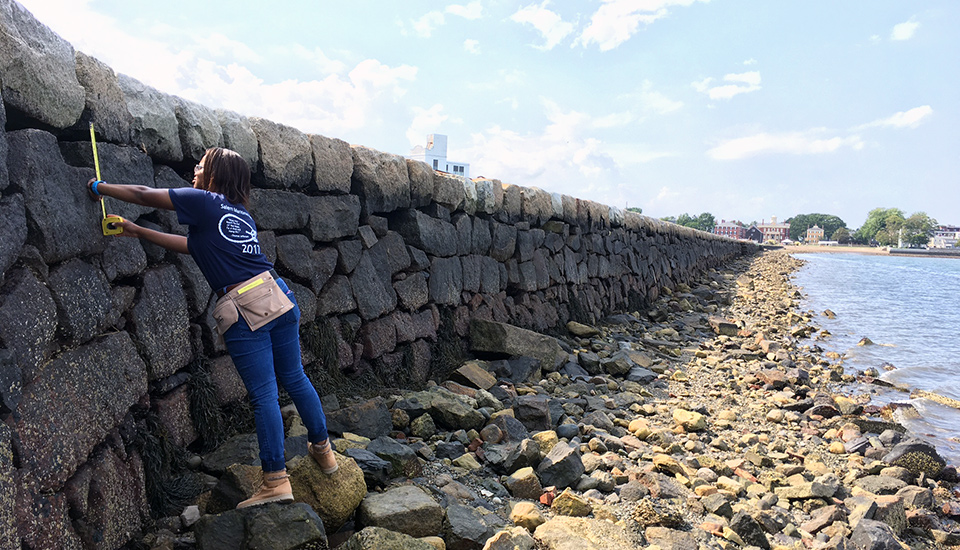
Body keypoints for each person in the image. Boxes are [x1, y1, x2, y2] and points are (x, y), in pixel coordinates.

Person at [87, 147, 338, 509]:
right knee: (295, 377)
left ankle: (275, 481)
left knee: (265, 396)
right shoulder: (241, 214)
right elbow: (194, 247)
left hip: (246, 308)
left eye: (201, 166)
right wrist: (136, 230)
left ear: (215, 176)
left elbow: (143, 194)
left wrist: (101, 187)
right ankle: (324, 452)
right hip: (279, 296)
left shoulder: (202, 200)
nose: (195, 170)